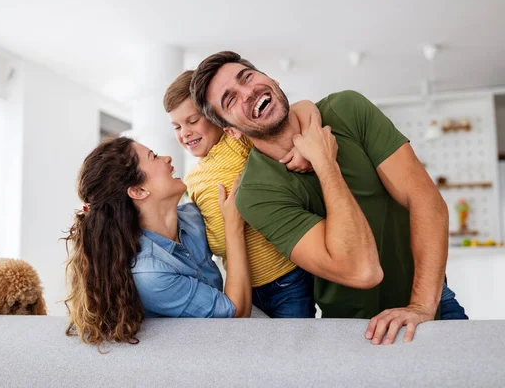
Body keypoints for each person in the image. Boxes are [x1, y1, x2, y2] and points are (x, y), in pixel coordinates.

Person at [190, 51, 468, 345]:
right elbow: (362, 271)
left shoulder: (347, 109)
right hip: (355, 331)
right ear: (231, 131)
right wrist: (324, 163)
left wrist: (422, 305)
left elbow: (425, 200)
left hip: (430, 299)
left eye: (247, 77)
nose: (248, 92)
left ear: (270, 79)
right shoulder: (255, 193)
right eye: (230, 99)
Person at [64, 137, 251, 347]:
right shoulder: (150, 274)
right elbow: (236, 313)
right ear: (138, 191)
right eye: (153, 157)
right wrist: (233, 227)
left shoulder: (193, 217)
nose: (167, 158)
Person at [164, 70, 316, 318]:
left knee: (294, 347)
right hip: (244, 286)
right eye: (177, 126)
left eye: (192, 121)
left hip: (287, 278)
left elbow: (302, 108)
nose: (185, 133)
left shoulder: (238, 141)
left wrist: (304, 146)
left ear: (215, 116)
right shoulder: (190, 180)